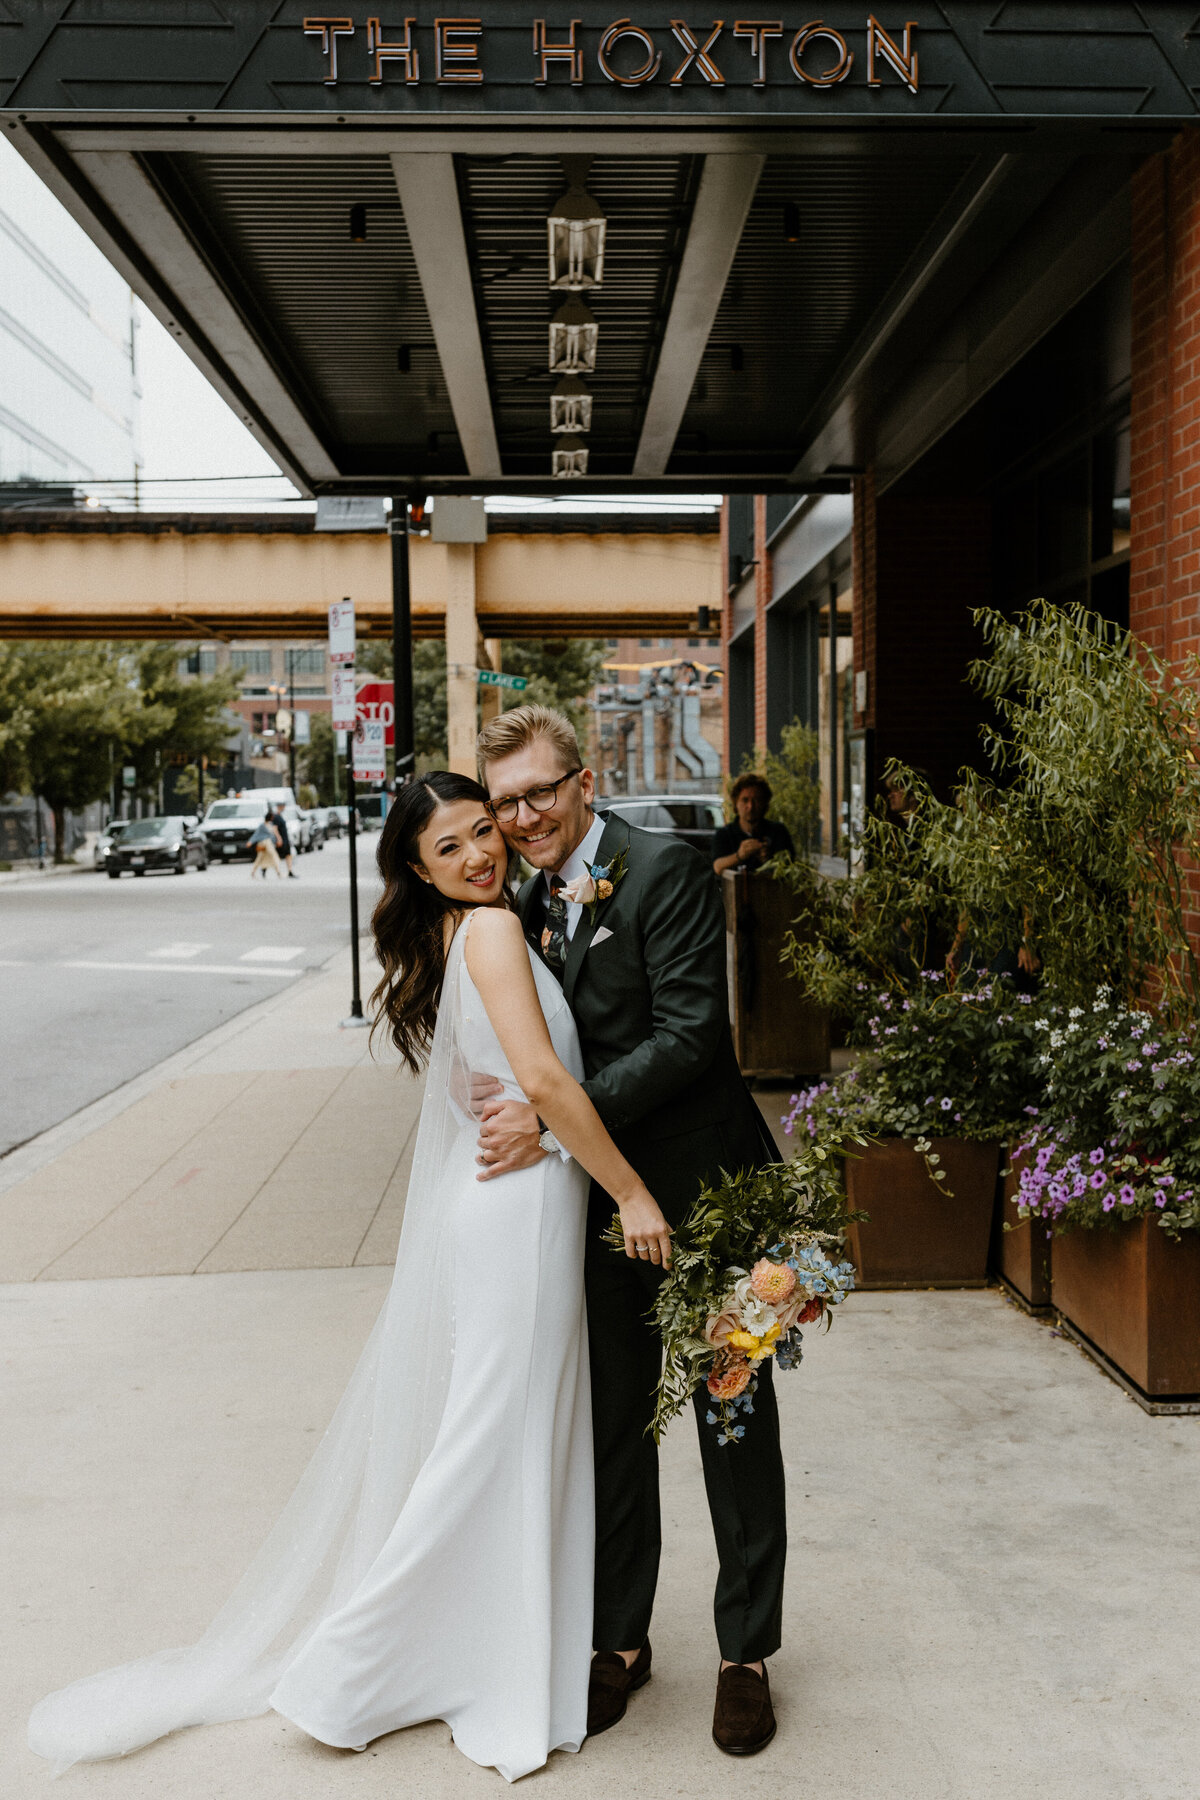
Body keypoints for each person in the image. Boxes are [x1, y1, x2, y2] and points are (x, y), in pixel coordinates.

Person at [28, 770, 672, 1783]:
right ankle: (354, 1667)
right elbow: (544, 1079)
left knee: (503, 1431)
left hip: (512, 1201)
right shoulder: (493, 932)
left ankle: (469, 1641)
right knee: (490, 1435)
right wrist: (632, 1193)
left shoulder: (475, 931)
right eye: (446, 850)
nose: (476, 855)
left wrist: (520, 1111)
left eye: (478, 832)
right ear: (417, 872)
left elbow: (489, 1079)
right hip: (515, 1219)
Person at [474, 705, 784, 1758]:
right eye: (506, 800)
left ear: (584, 780)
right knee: (611, 1424)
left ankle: (745, 1655)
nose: (523, 817)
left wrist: (562, 1115)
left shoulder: (667, 872)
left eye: (540, 793)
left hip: (710, 1192)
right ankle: (621, 1641)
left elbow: (695, 1034)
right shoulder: (521, 903)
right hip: (601, 1203)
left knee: (731, 1417)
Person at [711, 774, 795, 875]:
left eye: (757, 800)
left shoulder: (778, 831)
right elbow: (717, 867)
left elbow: (790, 867)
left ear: (765, 804)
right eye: (745, 800)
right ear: (736, 804)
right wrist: (740, 855)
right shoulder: (724, 834)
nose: (750, 806)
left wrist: (768, 860)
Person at [247, 810, 282, 879]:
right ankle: (253, 872)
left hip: (269, 843)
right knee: (260, 858)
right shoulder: (262, 826)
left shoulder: (271, 825)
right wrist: (250, 841)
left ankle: (278, 872)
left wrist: (277, 840)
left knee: (272, 856)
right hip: (263, 843)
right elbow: (256, 834)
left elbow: (273, 835)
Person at [270, 803, 297, 878]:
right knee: (276, 856)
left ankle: (290, 871)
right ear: (279, 806)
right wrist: (279, 839)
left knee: (288, 855)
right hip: (281, 840)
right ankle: (272, 870)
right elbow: (275, 829)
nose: (284, 808)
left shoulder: (280, 816)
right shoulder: (276, 817)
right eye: (283, 806)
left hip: (285, 839)